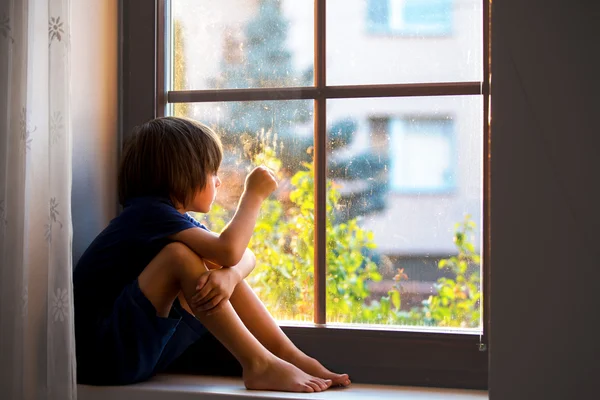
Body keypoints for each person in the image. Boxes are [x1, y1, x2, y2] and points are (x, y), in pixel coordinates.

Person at [73, 116, 350, 393]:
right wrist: (252, 196)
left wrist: (230, 276)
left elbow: (242, 256)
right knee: (178, 257)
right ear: (183, 172)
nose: (218, 182)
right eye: (212, 172)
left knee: (207, 267)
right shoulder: (147, 213)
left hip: (133, 354)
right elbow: (230, 250)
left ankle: (288, 356)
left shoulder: (170, 219)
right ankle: (258, 363)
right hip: (101, 356)